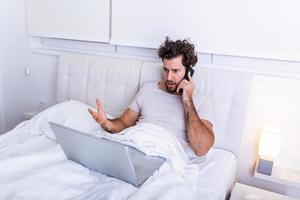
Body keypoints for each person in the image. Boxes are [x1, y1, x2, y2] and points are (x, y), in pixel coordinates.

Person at [88, 37, 214, 157]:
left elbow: (201, 148)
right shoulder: (148, 89)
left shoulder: (201, 101)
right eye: (166, 70)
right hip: (133, 144)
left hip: (163, 153)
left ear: (188, 72)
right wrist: (107, 123)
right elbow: (124, 123)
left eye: (175, 71)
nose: (169, 77)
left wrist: (187, 100)